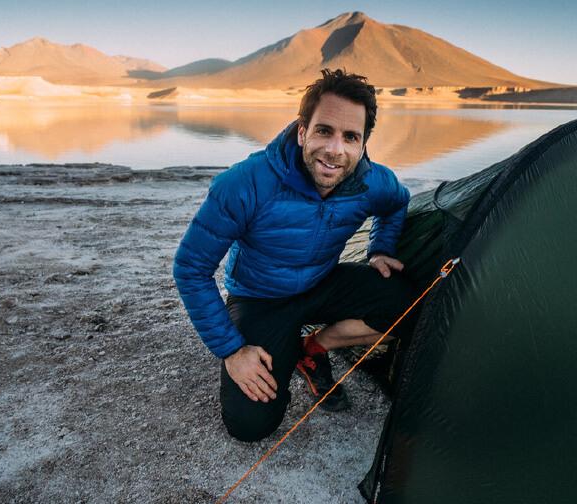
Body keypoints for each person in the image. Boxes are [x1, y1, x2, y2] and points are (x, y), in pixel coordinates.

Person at [173, 68, 414, 442]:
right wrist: (232, 350)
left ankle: (314, 347)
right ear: (302, 131)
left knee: (410, 304)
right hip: (260, 297)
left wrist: (380, 248)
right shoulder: (245, 182)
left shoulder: (371, 182)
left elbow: (398, 202)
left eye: (350, 137)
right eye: (324, 131)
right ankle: (283, 349)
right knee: (250, 424)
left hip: (322, 282)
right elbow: (190, 268)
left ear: (363, 144)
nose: (335, 150)